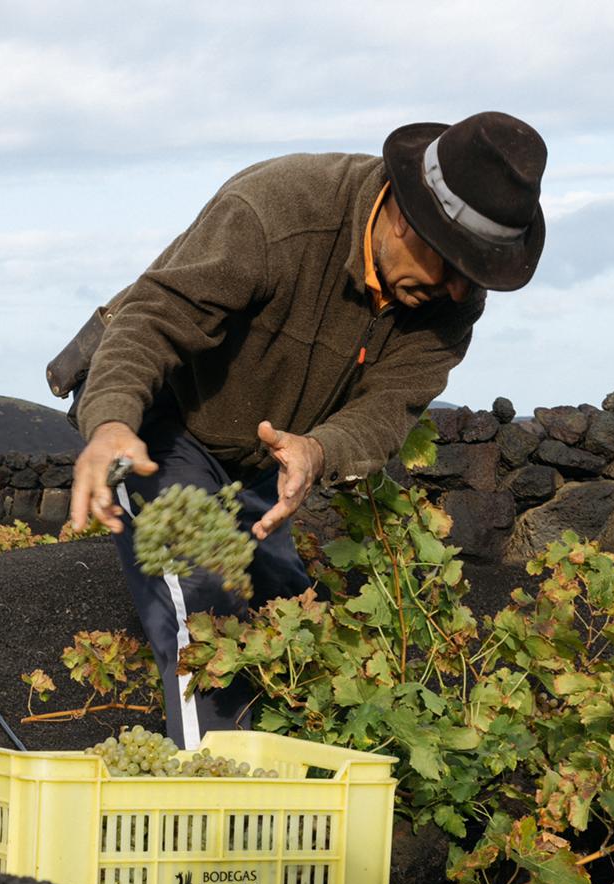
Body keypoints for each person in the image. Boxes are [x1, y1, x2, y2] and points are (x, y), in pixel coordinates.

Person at [57, 111, 548, 748]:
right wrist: (113, 422)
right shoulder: (275, 211)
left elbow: (387, 409)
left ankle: (305, 790)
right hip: (160, 417)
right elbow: (152, 319)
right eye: (452, 260)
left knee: (289, 616)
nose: (458, 287)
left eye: (478, 271)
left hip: (264, 449)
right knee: (202, 591)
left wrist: (319, 450)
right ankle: (217, 810)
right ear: (404, 212)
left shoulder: (451, 301)